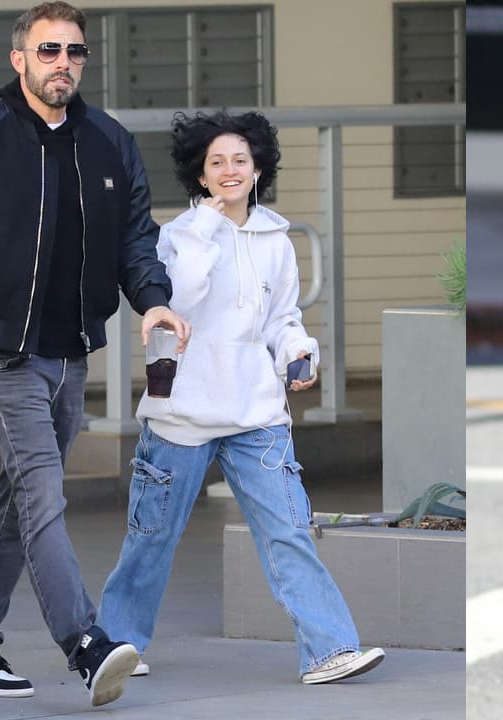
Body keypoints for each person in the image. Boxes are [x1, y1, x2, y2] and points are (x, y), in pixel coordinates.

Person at [0, 0, 191, 707]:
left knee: (22, 497)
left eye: (75, 52)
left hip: (71, 354)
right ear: (19, 58)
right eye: (49, 50)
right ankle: (84, 644)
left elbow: (135, 240)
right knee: (43, 492)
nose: (63, 63)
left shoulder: (108, 142)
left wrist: (151, 298)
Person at [97, 110, 385, 685]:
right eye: (216, 163)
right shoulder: (178, 236)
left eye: (241, 161)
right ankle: (116, 644)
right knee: (151, 539)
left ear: (258, 170)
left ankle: (329, 649)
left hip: (256, 413)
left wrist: (298, 352)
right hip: (182, 414)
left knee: (289, 529)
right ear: (199, 176)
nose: (230, 171)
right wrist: (209, 225)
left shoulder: (277, 239)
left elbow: (282, 317)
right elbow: (178, 300)